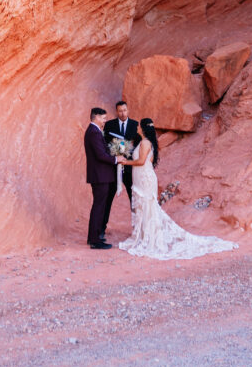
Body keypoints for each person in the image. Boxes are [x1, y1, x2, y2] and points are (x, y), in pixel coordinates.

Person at [118, 118, 238, 259]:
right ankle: (145, 235)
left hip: (144, 177)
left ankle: (149, 238)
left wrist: (126, 162)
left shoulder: (145, 143)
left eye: (139, 126)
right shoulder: (146, 142)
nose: (137, 128)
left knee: (147, 205)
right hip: (142, 176)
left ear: (142, 128)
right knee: (144, 206)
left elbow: (141, 161)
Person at [83, 107, 125, 249]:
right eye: (103, 118)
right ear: (96, 117)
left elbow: (102, 151)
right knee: (99, 207)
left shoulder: (94, 131)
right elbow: (100, 155)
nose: (105, 121)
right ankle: (95, 241)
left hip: (99, 175)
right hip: (100, 176)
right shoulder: (94, 132)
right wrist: (116, 159)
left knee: (98, 206)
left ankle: (92, 238)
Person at [102, 100, 140, 237]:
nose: (123, 113)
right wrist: (115, 152)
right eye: (120, 111)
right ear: (116, 111)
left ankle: (137, 228)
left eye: (125, 110)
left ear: (128, 110)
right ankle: (101, 229)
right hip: (113, 169)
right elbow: (105, 143)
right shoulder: (110, 125)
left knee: (134, 199)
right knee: (107, 199)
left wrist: (128, 153)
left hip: (129, 169)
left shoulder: (134, 124)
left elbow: (137, 143)